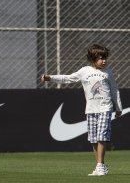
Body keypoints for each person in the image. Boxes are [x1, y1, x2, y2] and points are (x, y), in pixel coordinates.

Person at [41, 44, 122, 176]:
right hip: (90, 110)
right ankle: (99, 166)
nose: (104, 61)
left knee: (102, 137)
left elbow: (114, 90)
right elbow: (68, 78)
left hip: (105, 108)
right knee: (94, 139)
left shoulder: (108, 72)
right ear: (93, 58)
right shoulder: (84, 71)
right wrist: (50, 78)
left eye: (105, 58)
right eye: (101, 58)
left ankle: (100, 165)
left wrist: (118, 107)